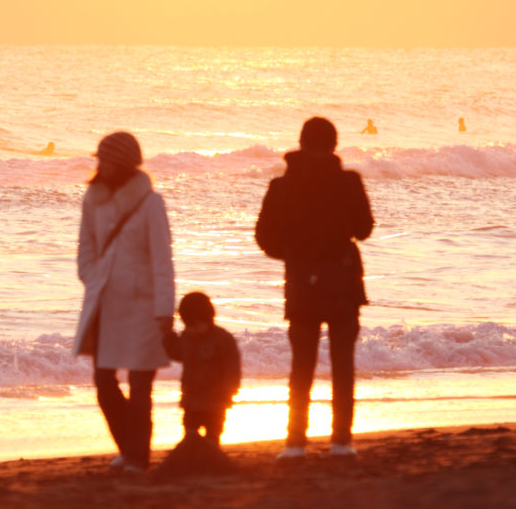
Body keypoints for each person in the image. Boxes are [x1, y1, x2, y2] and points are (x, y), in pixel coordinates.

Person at [255, 117, 374, 459]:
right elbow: (364, 229)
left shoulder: (281, 186)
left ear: (301, 143)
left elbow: (264, 237)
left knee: (301, 364)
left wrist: (293, 255)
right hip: (343, 279)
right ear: (334, 145)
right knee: (342, 364)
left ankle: (294, 444)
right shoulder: (349, 182)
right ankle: (341, 442)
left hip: (302, 282)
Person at [73, 131, 175, 473]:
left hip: (144, 307)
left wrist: (164, 311)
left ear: (122, 163)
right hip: (105, 304)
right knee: (103, 380)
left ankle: (138, 458)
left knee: (141, 386)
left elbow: (163, 261)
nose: (99, 165)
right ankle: (128, 448)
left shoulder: (150, 203)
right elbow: (86, 247)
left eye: (105, 159)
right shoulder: (93, 197)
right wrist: (92, 277)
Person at [166, 292, 241, 447]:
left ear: (208, 318)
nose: (192, 329)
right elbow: (176, 353)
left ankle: (213, 461)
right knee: (190, 437)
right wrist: (167, 335)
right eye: (188, 325)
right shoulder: (186, 338)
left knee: (212, 439)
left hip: (216, 402)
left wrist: (229, 392)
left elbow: (233, 369)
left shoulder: (223, 339)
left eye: (196, 325)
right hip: (191, 400)